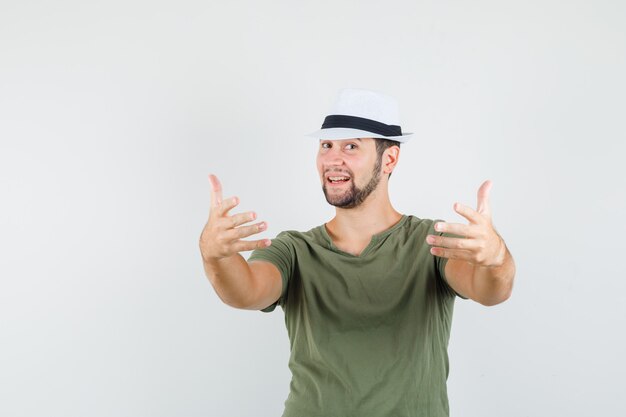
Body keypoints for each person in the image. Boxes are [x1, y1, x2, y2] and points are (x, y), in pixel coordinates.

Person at [199, 88, 516, 417]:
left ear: (389, 159)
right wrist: (216, 256)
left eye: (351, 146)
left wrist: (496, 258)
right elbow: (245, 291)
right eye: (326, 146)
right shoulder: (294, 250)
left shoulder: (432, 242)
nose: (333, 159)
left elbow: (490, 290)